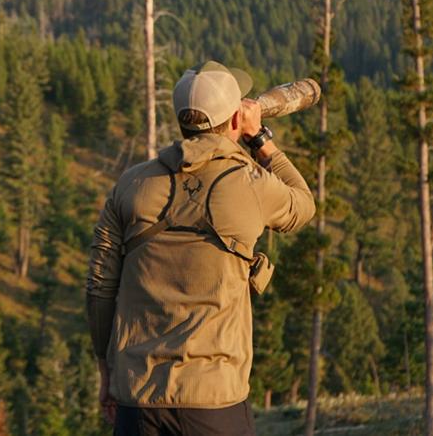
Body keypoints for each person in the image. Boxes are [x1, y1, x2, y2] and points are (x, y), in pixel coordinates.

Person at [86, 60, 316, 436]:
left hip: (139, 400)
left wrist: (105, 368)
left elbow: (99, 287)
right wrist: (260, 140)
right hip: (216, 401)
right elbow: (303, 205)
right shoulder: (251, 184)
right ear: (235, 121)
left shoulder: (131, 185)